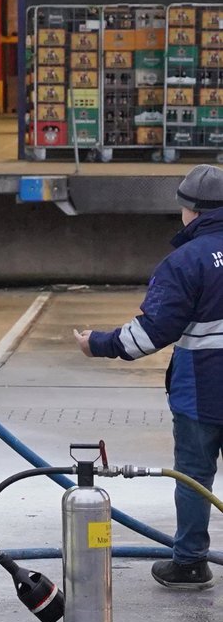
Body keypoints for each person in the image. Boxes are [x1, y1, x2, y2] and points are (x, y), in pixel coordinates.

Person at [74, 164, 223, 590]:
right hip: (204, 392)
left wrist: (96, 343)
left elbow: (150, 333)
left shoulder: (185, 262)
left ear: (190, 211)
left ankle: (191, 563)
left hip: (203, 394)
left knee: (194, 476)